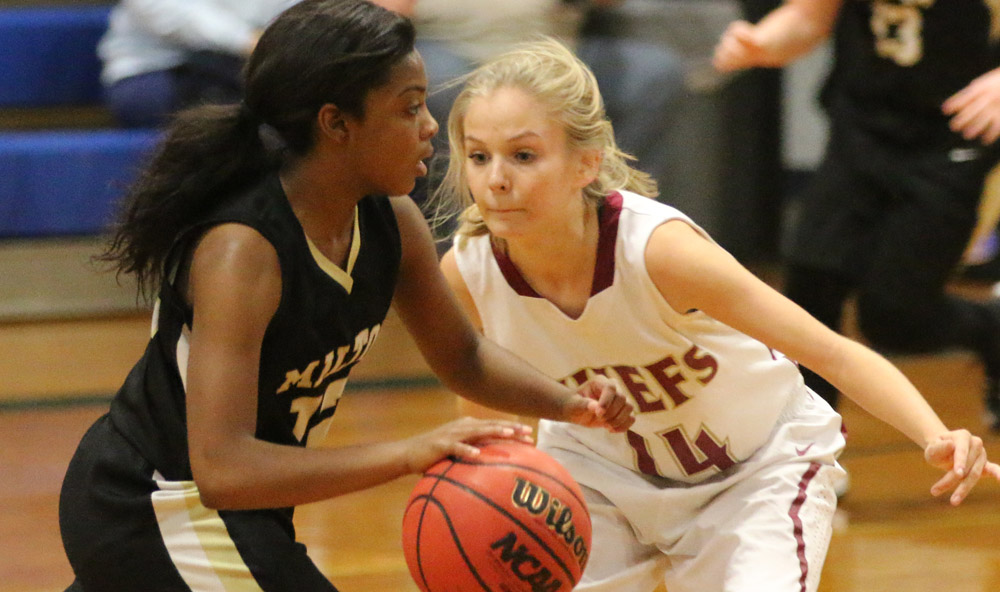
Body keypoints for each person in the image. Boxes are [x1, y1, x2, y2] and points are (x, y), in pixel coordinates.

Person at [58, 3, 635, 591]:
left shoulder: (392, 220)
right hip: (157, 502)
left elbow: (464, 357)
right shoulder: (243, 251)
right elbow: (224, 470)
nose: (430, 126)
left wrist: (568, 404)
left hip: (241, 507)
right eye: (409, 108)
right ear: (337, 124)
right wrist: (410, 453)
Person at [431, 38, 1000, 592]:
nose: (496, 179)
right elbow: (493, 430)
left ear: (586, 163)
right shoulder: (468, 273)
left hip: (754, 473)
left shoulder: (661, 252)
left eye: (523, 155)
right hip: (598, 480)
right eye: (478, 156)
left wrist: (934, 434)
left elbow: (832, 352)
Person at [713, 0, 1000, 431]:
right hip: (862, 127)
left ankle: (992, 328)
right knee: (810, 286)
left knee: (894, 318)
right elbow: (808, 16)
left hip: (952, 139)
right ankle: (812, 440)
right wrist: (762, 41)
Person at [409, 0, 686, 213]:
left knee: (654, 75)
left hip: (555, 45)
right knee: (451, 93)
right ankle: (458, 234)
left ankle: (621, 221)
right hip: (448, 43)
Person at [96, 0, 298, 127]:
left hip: (245, 67)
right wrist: (247, 40)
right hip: (153, 69)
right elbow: (167, 14)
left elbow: (294, 13)